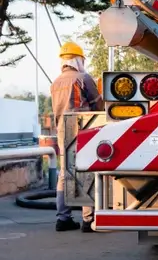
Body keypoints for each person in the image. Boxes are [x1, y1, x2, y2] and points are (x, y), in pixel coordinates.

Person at [50, 41, 104, 232]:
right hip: (83, 128)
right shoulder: (83, 77)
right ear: (78, 59)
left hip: (62, 129)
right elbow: (99, 107)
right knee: (85, 172)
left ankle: (63, 219)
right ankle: (88, 220)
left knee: (64, 174)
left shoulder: (55, 83)